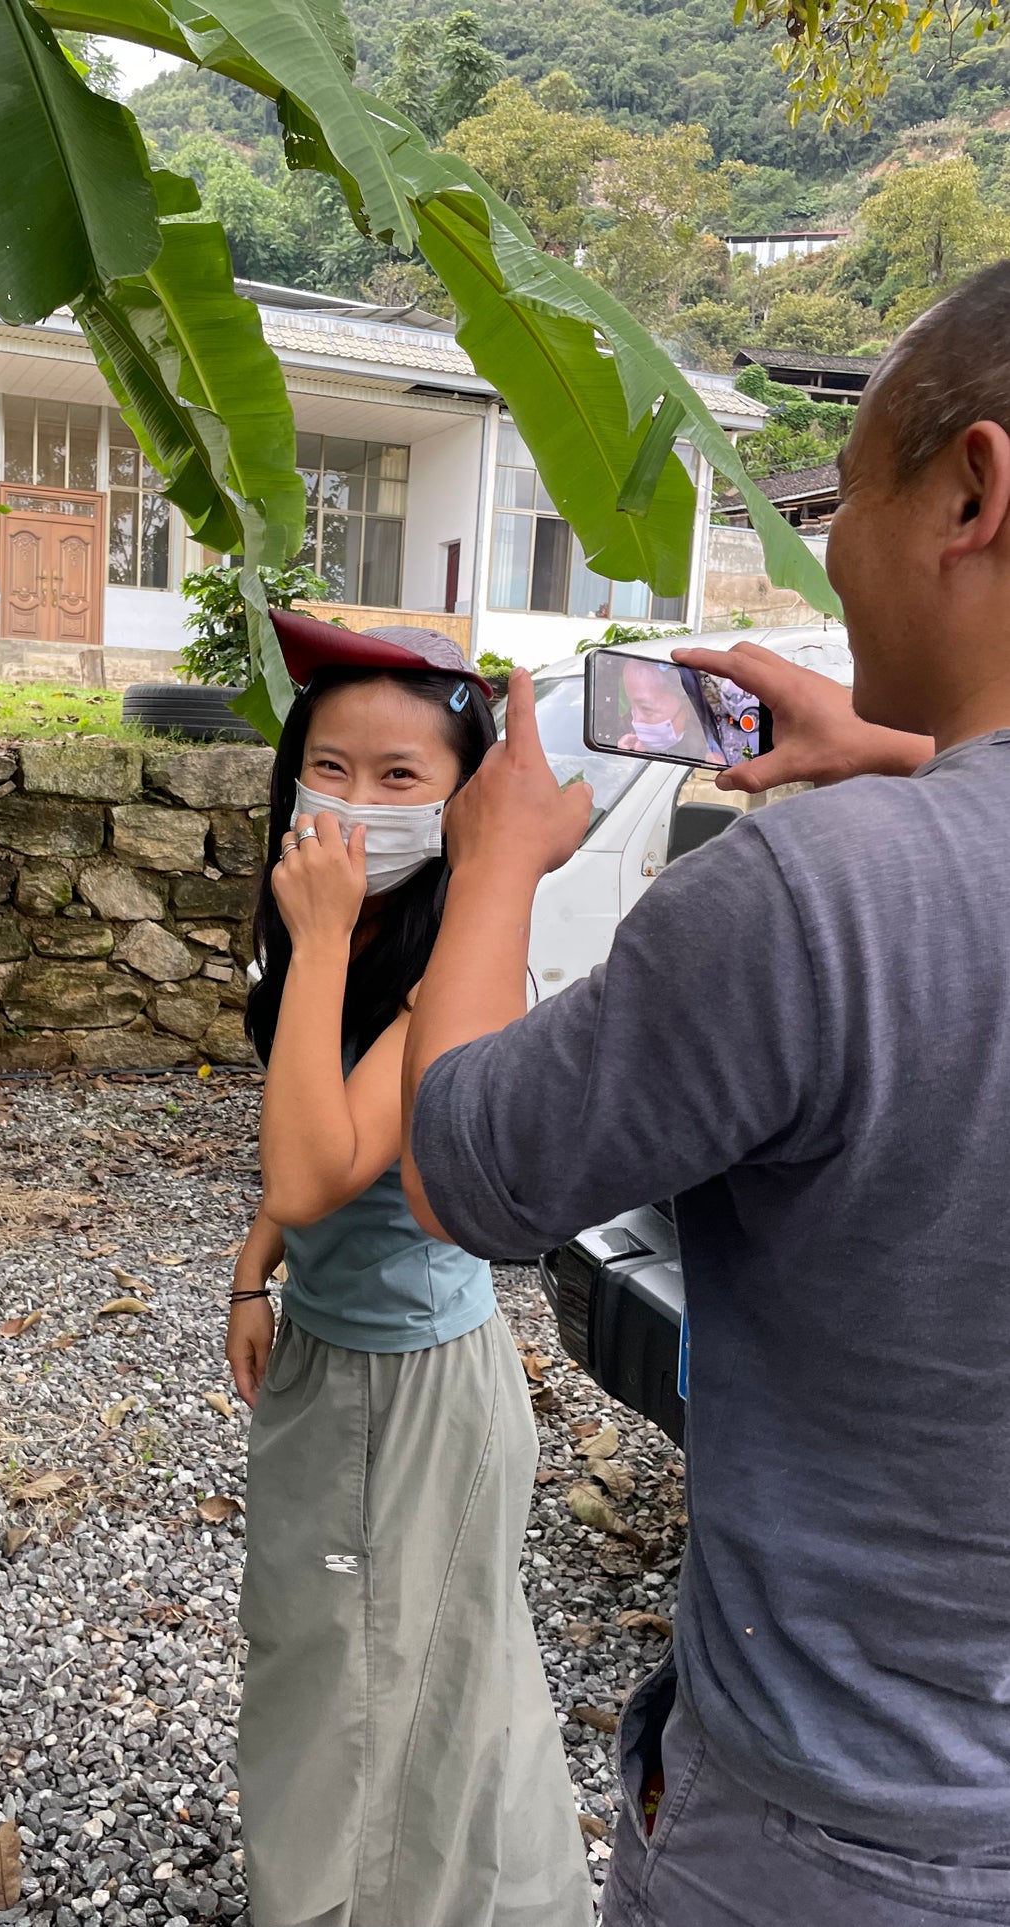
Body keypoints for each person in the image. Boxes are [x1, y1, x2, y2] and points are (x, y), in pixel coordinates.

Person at [400, 257, 1010, 1926]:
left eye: (847, 493)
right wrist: (908, 752)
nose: (831, 555)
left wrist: (492, 870)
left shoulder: (811, 899)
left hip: (832, 1838)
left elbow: (466, 1163)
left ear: (972, 489)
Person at [227, 612, 591, 1927]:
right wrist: (256, 1268)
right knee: (384, 1670)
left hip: (406, 1389)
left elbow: (318, 1166)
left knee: (374, 1705)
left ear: (458, 799)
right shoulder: (353, 926)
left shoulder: (438, 958)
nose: (358, 803)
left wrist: (316, 939)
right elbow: (298, 1140)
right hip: (343, 1357)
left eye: (401, 778)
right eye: (331, 767)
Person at [616, 657, 726, 765]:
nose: (635, 721)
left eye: (646, 709)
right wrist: (629, 761)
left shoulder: (714, 751)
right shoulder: (631, 742)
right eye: (631, 707)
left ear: (687, 706)